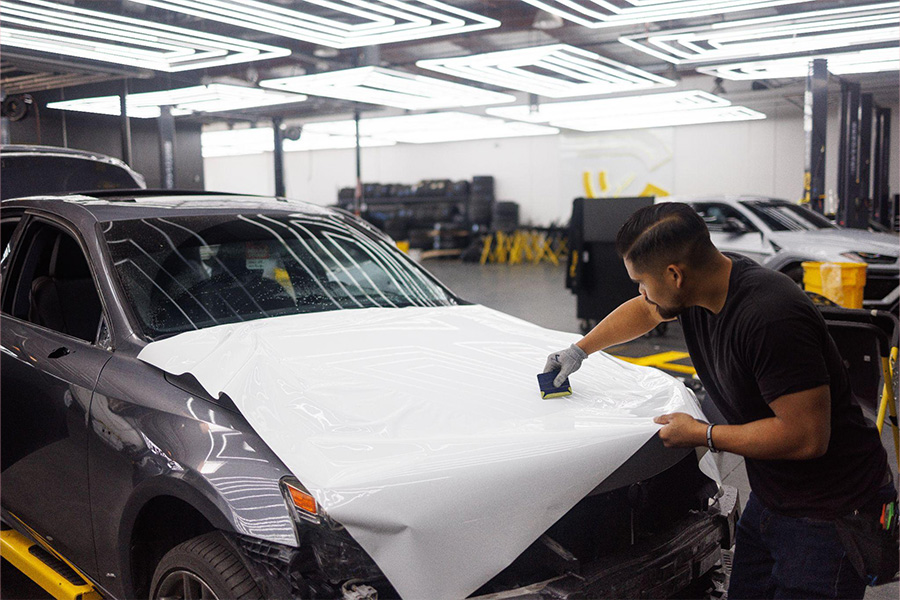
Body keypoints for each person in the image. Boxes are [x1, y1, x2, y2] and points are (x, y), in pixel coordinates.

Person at [543, 202, 893, 599]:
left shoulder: (769, 317)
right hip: (774, 494)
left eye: (642, 280)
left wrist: (703, 433)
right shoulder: (704, 285)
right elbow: (646, 310)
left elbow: (806, 438)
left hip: (830, 510)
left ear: (675, 275)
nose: (640, 291)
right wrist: (581, 350)